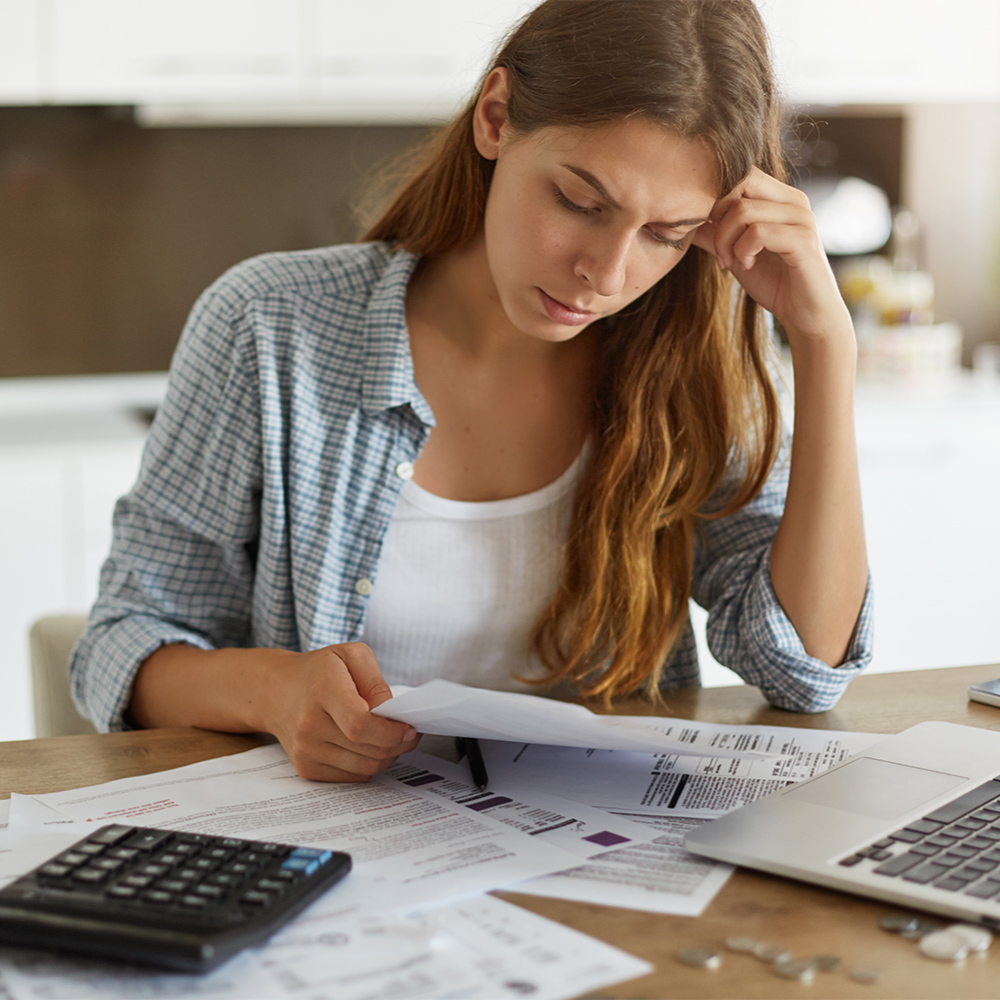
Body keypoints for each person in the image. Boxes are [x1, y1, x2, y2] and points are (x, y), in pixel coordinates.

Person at [70, 0, 872, 782]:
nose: (607, 272)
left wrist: (825, 343)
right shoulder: (271, 326)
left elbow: (803, 670)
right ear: (496, 117)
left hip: (593, 860)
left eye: (666, 234)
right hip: (330, 851)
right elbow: (123, 642)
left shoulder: (696, 357)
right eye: (580, 202)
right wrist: (277, 692)